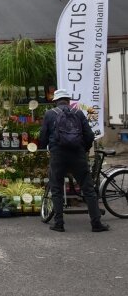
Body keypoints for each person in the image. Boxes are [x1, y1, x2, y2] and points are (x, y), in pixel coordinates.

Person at [39, 88, 109, 233]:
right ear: (69, 101)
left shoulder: (50, 114)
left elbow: (43, 137)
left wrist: (47, 147)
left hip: (58, 155)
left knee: (57, 189)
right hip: (77, 155)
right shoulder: (78, 113)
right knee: (88, 189)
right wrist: (83, 149)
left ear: (56, 101)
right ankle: (96, 224)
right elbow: (89, 135)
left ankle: (59, 224)